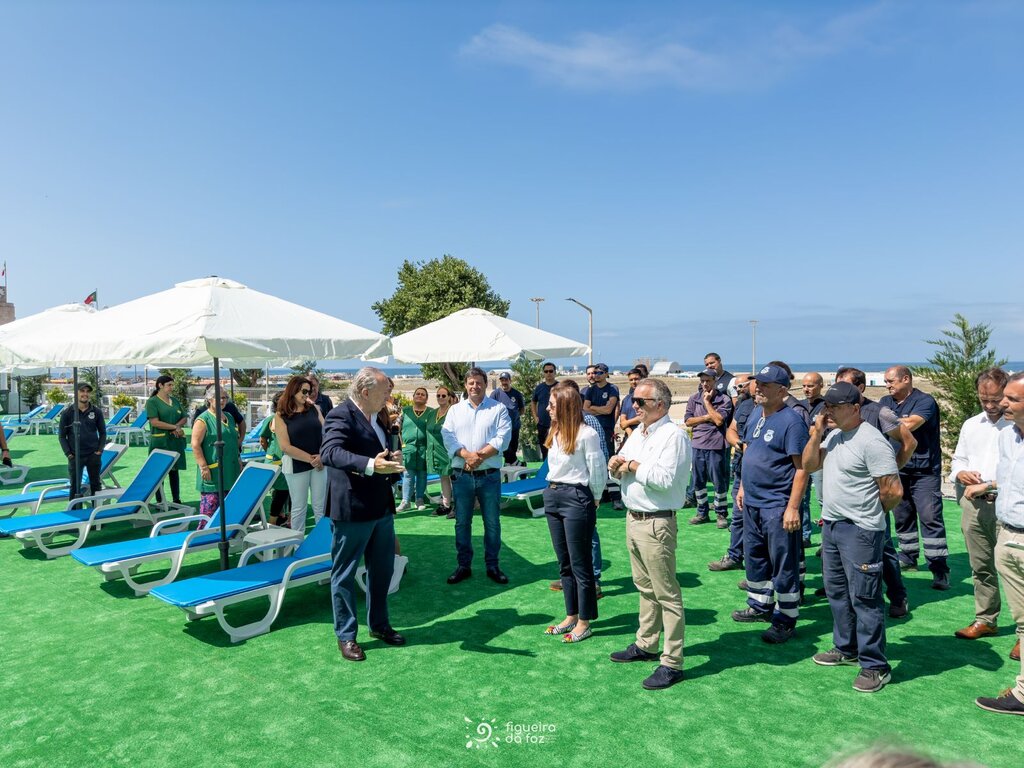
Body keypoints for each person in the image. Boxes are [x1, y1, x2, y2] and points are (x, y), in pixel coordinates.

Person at [802, 382, 903, 693]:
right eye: (826, 406)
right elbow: (808, 465)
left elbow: (893, 491)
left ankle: (875, 666)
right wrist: (816, 433)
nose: (828, 411)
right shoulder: (833, 436)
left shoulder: (872, 441)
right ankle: (847, 648)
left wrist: (869, 515)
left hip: (861, 530)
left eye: (835, 407)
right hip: (832, 526)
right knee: (837, 592)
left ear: (855, 408)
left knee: (865, 598)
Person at [607, 377, 691, 690]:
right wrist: (617, 465)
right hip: (634, 517)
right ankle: (646, 643)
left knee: (666, 593)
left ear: (660, 404)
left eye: (641, 401)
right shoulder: (639, 434)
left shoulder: (673, 436)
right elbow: (619, 471)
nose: (635, 406)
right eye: (634, 400)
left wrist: (630, 465)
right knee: (644, 587)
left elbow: (664, 480)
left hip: (657, 522)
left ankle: (672, 662)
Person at [320, 367, 406, 662]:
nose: (388, 397)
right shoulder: (340, 415)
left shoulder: (377, 415)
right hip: (352, 509)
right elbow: (330, 452)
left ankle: (379, 625)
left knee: (382, 570)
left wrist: (390, 460)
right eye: (384, 392)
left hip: (381, 506)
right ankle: (346, 636)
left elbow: (377, 453)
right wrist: (371, 464)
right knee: (344, 573)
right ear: (365, 392)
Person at [731, 364, 809, 645]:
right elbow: (749, 450)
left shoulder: (792, 421)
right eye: (758, 383)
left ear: (782, 390)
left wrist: (793, 507)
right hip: (752, 502)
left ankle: (786, 619)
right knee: (755, 556)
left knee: (783, 563)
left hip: (777, 504)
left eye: (765, 385)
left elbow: (802, 468)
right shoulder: (756, 414)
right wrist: (743, 486)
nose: (758, 389)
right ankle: (760, 605)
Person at [834, 366, 917, 619]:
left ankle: (898, 596)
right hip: (842, 495)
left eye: (846, 387)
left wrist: (891, 471)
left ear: (860, 388)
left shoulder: (879, 412)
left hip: (872, 495)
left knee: (883, 546)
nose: (840, 393)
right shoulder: (833, 411)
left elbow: (909, 442)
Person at [949, 367, 1012, 643]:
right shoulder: (971, 424)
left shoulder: (1016, 426)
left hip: (1009, 507)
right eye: (983, 399)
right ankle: (986, 619)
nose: (989, 405)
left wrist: (987, 485)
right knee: (981, 565)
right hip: (974, 505)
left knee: (1015, 570)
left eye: (995, 399)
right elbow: (958, 459)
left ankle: (1023, 632)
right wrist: (960, 473)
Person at [975, 371, 1024, 714]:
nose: (1002, 403)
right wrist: (989, 486)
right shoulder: (1007, 436)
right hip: (1007, 536)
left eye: (1012, 399)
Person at [542, 384, 607, 644]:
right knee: (564, 563)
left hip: (576, 498)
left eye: (552, 405)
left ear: (565, 406)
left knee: (581, 564)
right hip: (553, 495)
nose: (547, 409)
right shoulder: (555, 431)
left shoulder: (587, 434)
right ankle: (571, 615)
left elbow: (597, 469)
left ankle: (584, 622)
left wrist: (595, 498)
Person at [879, 365, 951, 590]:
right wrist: (896, 421)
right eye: (886, 381)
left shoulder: (925, 401)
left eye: (891, 381)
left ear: (906, 379)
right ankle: (908, 557)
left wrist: (890, 422)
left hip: (925, 471)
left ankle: (939, 569)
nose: (887, 385)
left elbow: (911, 424)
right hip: (897, 468)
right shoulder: (885, 402)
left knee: (930, 517)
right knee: (902, 516)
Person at [442, 366, 512, 585]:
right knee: (462, 523)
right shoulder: (455, 411)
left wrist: (477, 457)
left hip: (489, 476)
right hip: (462, 475)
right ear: (465, 385)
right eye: (471, 383)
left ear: (485, 384)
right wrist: (466, 455)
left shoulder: (498, 408)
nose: (475, 386)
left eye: (479, 382)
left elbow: (503, 438)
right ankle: (464, 565)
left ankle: (493, 566)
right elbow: (447, 436)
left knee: (492, 523)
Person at [709, 375, 755, 572]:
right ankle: (735, 556)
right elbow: (731, 430)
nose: (738, 390)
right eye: (735, 388)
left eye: (741, 386)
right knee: (738, 517)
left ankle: (757, 566)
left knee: (758, 522)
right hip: (740, 469)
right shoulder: (744, 406)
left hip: (762, 474)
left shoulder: (777, 410)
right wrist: (738, 443)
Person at [275, 375, 326, 535]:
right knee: (299, 507)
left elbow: (327, 433)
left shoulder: (314, 409)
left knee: (321, 506)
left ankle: (323, 542)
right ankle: (297, 544)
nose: (307, 395)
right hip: (297, 465)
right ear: (293, 390)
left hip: (319, 463)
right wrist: (312, 460)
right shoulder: (281, 415)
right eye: (304, 391)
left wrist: (321, 456)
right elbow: (285, 447)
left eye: (309, 391)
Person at [684, 367, 734, 527]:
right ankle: (702, 512)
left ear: (715, 381)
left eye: (708, 381)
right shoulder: (693, 398)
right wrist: (707, 417)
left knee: (719, 482)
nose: (705, 384)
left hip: (716, 445)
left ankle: (721, 514)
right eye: (702, 381)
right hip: (698, 444)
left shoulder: (724, 399)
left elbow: (719, 420)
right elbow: (688, 421)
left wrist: (707, 402)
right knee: (698, 482)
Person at [190, 384, 242, 527]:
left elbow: (232, 441)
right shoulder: (203, 420)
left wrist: (238, 458)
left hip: (230, 469)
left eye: (225, 397)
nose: (222, 401)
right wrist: (203, 467)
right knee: (210, 510)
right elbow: (195, 444)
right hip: (213, 471)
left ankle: (227, 533)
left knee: (230, 507)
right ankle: (203, 534)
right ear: (209, 399)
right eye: (218, 398)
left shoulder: (229, 417)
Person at [57, 383, 106, 498]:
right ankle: (74, 509)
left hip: (93, 455)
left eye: (87, 391)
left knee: (96, 485)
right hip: (75, 456)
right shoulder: (67, 413)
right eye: (82, 391)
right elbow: (62, 436)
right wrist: (68, 454)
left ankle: (96, 508)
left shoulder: (96, 412)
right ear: (76, 393)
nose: (85, 394)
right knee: (75, 487)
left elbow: (103, 433)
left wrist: (99, 451)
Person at [146, 374, 187, 506]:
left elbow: (184, 417)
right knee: (159, 472)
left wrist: (177, 426)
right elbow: (155, 422)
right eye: (169, 385)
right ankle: (160, 501)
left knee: (174, 470)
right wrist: (174, 427)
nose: (171, 387)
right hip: (160, 442)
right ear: (160, 385)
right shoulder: (152, 402)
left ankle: (176, 499)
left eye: (172, 385)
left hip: (174, 440)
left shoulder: (174, 401)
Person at [397, 387, 433, 512]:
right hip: (408, 449)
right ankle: (405, 501)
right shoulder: (405, 411)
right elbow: (397, 427)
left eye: (423, 394)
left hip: (424, 448)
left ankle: (419, 499)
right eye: (417, 394)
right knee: (408, 475)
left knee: (422, 475)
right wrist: (401, 444)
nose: (420, 396)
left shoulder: (431, 412)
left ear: (426, 398)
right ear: (413, 397)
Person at [260, 392, 291, 527]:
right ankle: (273, 522)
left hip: (288, 461)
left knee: (287, 491)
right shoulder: (271, 419)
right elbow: (263, 440)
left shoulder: (292, 419)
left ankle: (284, 518)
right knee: (281, 491)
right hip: (276, 463)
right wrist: (272, 452)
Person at [427, 386, 456, 517]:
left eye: (443, 395)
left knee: (455, 478)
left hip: (451, 451)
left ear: (449, 397)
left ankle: (458, 505)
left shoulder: (454, 412)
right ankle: (446, 505)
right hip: (437, 452)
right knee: (444, 477)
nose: (440, 398)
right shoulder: (432, 413)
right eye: (438, 395)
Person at [491, 372, 526, 466]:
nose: (504, 382)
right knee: (506, 448)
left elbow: (522, 410)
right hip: (501, 428)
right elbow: (490, 410)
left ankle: (508, 467)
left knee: (513, 449)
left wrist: (514, 416)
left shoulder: (517, 394)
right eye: (502, 380)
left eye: (506, 380)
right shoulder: (495, 394)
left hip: (514, 427)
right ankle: (517, 464)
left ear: (510, 381)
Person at [532, 362, 559, 459]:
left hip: (557, 424)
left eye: (551, 371)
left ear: (555, 372)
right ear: (543, 373)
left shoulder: (560, 387)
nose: (548, 373)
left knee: (556, 449)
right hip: (542, 424)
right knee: (544, 450)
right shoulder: (539, 388)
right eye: (546, 371)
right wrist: (535, 417)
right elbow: (533, 402)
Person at [618, 368, 644, 442]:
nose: (633, 382)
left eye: (636, 379)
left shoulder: (647, 397)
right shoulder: (626, 399)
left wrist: (627, 423)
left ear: (642, 379)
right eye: (631, 380)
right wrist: (630, 432)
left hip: (643, 436)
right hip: (629, 438)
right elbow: (622, 422)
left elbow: (645, 417)